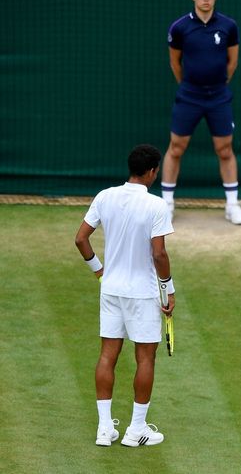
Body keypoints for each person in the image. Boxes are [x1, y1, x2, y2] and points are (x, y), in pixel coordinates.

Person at [75, 144, 175, 446]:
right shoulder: (157, 206)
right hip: (142, 294)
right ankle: (136, 430)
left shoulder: (104, 196)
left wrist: (99, 271)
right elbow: (159, 254)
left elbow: (81, 239)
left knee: (108, 355)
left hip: (111, 289)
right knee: (146, 358)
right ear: (153, 171)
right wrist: (168, 291)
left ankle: (104, 429)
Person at [162, 0, 241, 225]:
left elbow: (232, 63)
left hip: (219, 96)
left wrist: (217, 84)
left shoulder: (229, 26)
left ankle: (232, 206)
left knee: (225, 149)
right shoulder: (179, 27)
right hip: (189, 95)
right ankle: (167, 204)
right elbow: (174, 63)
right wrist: (190, 86)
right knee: (176, 148)